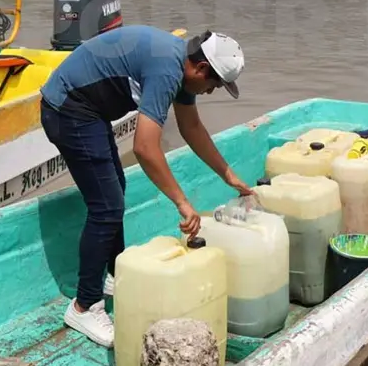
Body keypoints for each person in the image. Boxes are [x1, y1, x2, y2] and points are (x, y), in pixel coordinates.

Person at [38, 25, 251, 348]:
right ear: (202, 68)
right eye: (214, 85)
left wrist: (227, 174)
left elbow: (191, 126)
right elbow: (145, 148)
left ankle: (114, 274)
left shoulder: (182, 64)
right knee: (107, 206)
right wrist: (181, 201)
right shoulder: (167, 69)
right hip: (67, 108)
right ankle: (84, 306)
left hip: (88, 111)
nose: (211, 92)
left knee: (113, 193)